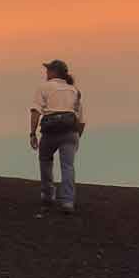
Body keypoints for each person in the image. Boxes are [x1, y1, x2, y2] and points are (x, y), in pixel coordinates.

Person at [29, 59, 86, 213]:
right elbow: (81, 121)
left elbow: (35, 112)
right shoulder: (74, 90)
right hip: (70, 132)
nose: (46, 73)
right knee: (67, 166)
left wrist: (32, 133)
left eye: (48, 70)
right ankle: (68, 201)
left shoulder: (44, 87)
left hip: (50, 133)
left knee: (45, 160)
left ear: (54, 72)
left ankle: (48, 194)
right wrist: (76, 138)